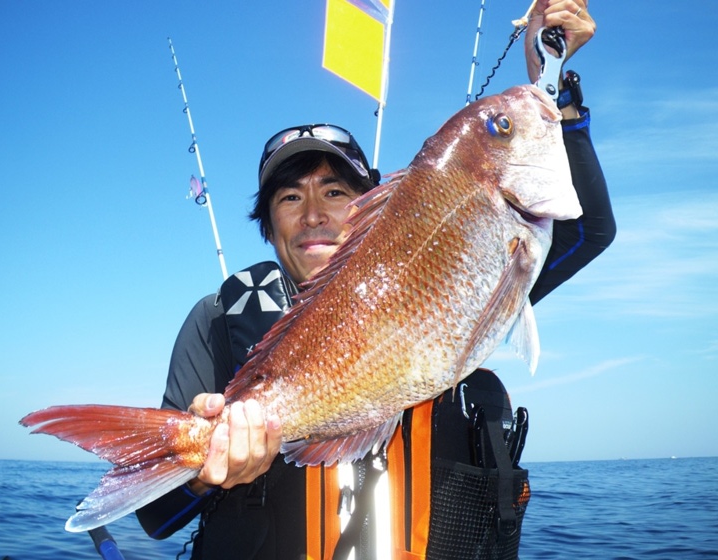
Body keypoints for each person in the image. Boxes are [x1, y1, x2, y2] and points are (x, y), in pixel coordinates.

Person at [136, 1, 616, 558]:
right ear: (266, 225)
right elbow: (154, 517)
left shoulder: (448, 270)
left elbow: (590, 232)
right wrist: (206, 471)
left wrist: (554, 88)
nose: (313, 212)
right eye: (289, 197)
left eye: (335, 192)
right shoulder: (220, 321)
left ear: (370, 207)